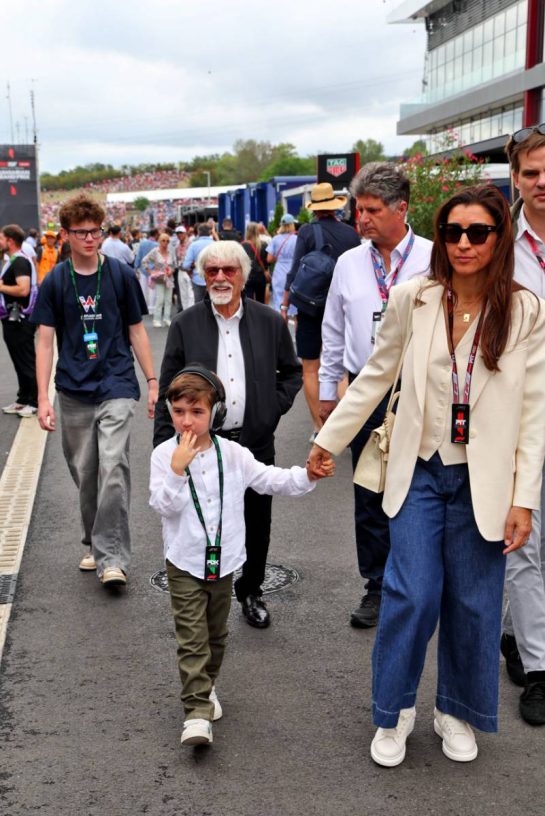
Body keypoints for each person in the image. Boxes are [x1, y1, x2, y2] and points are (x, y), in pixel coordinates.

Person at [308, 184, 545, 766]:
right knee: (410, 594)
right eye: (452, 232)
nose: (464, 243)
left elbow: (533, 411)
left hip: (483, 480)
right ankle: (394, 713)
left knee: (473, 602)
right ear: (439, 238)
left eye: (478, 232)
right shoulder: (414, 299)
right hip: (417, 470)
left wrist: (524, 498)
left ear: (498, 239)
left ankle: (456, 710)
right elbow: (374, 375)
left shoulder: (524, 310)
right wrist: (327, 437)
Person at [150, 366, 329, 746]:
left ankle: (206, 685)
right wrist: (177, 473)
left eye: (197, 412)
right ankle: (196, 712)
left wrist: (308, 475)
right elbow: (162, 506)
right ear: (169, 411)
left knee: (216, 635)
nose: (187, 420)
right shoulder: (164, 455)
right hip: (183, 561)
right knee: (192, 637)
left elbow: (270, 479)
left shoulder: (232, 454)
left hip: (226, 560)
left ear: (214, 413)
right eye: (179, 411)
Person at [154, 240, 302, 628]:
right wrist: (164, 446)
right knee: (203, 519)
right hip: (200, 447)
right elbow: (169, 387)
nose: (220, 277)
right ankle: (202, 592)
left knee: (257, 520)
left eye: (228, 270)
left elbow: (292, 372)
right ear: (203, 277)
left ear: (243, 275)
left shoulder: (269, 321)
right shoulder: (186, 323)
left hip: (253, 442)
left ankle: (251, 590)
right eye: (212, 271)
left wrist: (271, 408)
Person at [319, 163, 432, 628]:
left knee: (418, 488)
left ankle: (416, 583)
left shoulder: (432, 257)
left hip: (422, 391)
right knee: (368, 490)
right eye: (357, 208)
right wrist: (329, 395)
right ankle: (377, 587)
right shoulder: (349, 261)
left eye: (370, 209)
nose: (359, 218)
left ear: (400, 209)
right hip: (365, 391)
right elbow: (333, 330)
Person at [31, 194, 158, 587]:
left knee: (114, 465)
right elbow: (45, 341)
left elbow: (137, 330)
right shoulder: (55, 280)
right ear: (66, 235)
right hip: (73, 388)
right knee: (87, 474)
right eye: (81, 232)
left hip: (117, 382)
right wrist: (41, 398)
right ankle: (94, 541)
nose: (90, 238)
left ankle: (112, 558)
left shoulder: (120, 274)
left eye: (95, 231)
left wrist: (152, 381)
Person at [500, 125, 545, 726]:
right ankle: (539, 669)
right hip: (517, 414)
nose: (542, 182)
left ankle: (515, 632)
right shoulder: (498, 242)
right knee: (524, 543)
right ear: (516, 178)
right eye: (532, 173)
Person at [282, 182, 360, 440]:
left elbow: (296, 271)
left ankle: (320, 427)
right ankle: (346, 425)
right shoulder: (351, 234)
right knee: (341, 367)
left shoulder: (306, 232)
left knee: (311, 367)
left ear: (314, 208)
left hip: (310, 307)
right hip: (345, 305)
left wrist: (284, 303)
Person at [0, 224, 38, 418]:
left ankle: (34, 401)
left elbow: (23, 289)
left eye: (1, 239)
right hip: (12, 319)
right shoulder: (13, 260)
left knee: (26, 360)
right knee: (18, 360)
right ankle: (23, 398)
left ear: (10, 241)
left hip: (21, 319)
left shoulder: (20, 262)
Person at [141, 232, 176, 327]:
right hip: (160, 278)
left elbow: (173, 265)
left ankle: (167, 318)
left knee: (169, 300)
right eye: (163, 240)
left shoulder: (170, 252)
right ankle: (156, 319)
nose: (165, 243)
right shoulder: (155, 251)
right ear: (159, 241)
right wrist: (151, 272)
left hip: (169, 279)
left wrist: (171, 271)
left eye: (167, 241)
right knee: (160, 299)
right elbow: (144, 261)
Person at [267, 213, 298, 313]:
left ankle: (282, 325)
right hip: (293, 271)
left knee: (280, 300)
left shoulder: (275, 239)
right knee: (295, 302)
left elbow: (269, 259)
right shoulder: (296, 239)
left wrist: (279, 257)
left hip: (279, 272)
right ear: (292, 224)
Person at [182, 224, 214, 303]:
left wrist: (192, 266)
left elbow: (186, 265)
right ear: (210, 232)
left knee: (199, 304)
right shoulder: (215, 244)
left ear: (198, 232)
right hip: (213, 278)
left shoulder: (193, 245)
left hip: (197, 278)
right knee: (213, 304)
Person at [241, 221, 270, 303]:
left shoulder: (242, 245)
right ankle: (260, 315)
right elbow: (267, 262)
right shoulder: (264, 244)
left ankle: (249, 315)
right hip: (261, 277)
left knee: (248, 301)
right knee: (260, 301)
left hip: (248, 277)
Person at [173, 225, 194, 311]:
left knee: (190, 294)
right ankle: (186, 313)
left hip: (189, 270)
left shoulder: (191, 243)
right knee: (183, 293)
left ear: (185, 233)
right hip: (181, 270)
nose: (179, 235)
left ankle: (190, 312)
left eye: (181, 233)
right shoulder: (177, 245)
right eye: (177, 233)